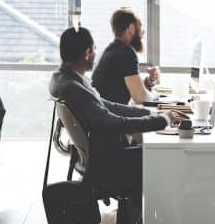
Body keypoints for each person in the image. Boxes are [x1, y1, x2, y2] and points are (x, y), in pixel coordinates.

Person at [49, 26, 185, 198]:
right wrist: (162, 121)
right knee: (160, 154)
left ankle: (136, 218)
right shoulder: (73, 87)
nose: (95, 54)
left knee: (149, 147)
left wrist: (149, 114)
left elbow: (107, 105)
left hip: (97, 155)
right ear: (87, 52)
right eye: (94, 49)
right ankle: (155, 219)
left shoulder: (63, 78)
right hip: (107, 163)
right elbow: (114, 122)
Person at [91, 8, 161, 105]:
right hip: (109, 116)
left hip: (104, 112)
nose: (142, 32)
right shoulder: (126, 52)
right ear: (131, 28)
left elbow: (128, 87)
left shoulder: (111, 51)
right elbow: (140, 97)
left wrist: (149, 82)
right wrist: (155, 96)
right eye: (140, 27)